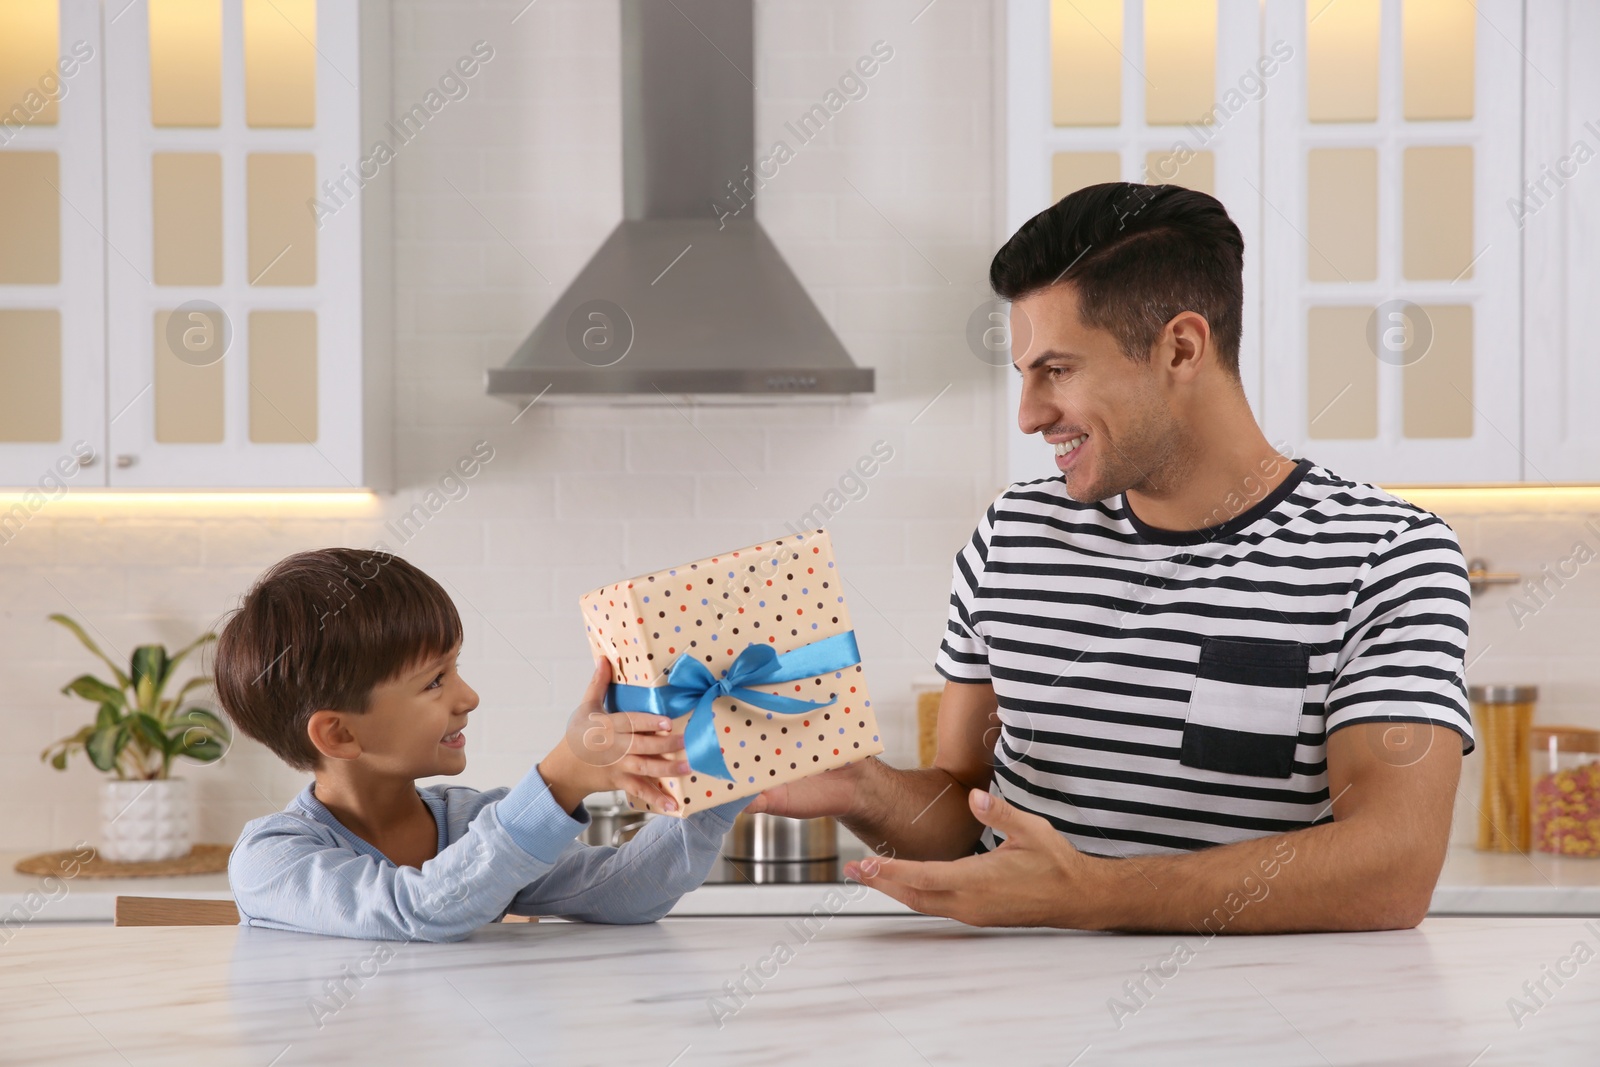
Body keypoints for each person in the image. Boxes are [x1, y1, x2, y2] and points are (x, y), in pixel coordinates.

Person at [749, 182, 1474, 933]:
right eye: (1024, 374)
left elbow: (1392, 868)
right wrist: (863, 786)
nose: (1029, 415)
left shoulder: (1386, 556)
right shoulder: (1011, 533)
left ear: (1180, 348)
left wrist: (1088, 894)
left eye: (1056, 371)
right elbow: (966, 810)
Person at [218, 548, 747, 941]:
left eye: (456, 670)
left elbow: (622, 893)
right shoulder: (272, 859)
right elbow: (417, 910)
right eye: (433, 681)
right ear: (340, 733)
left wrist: (723, 779)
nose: (468, 697)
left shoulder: (473, 821)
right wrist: (561, 778)